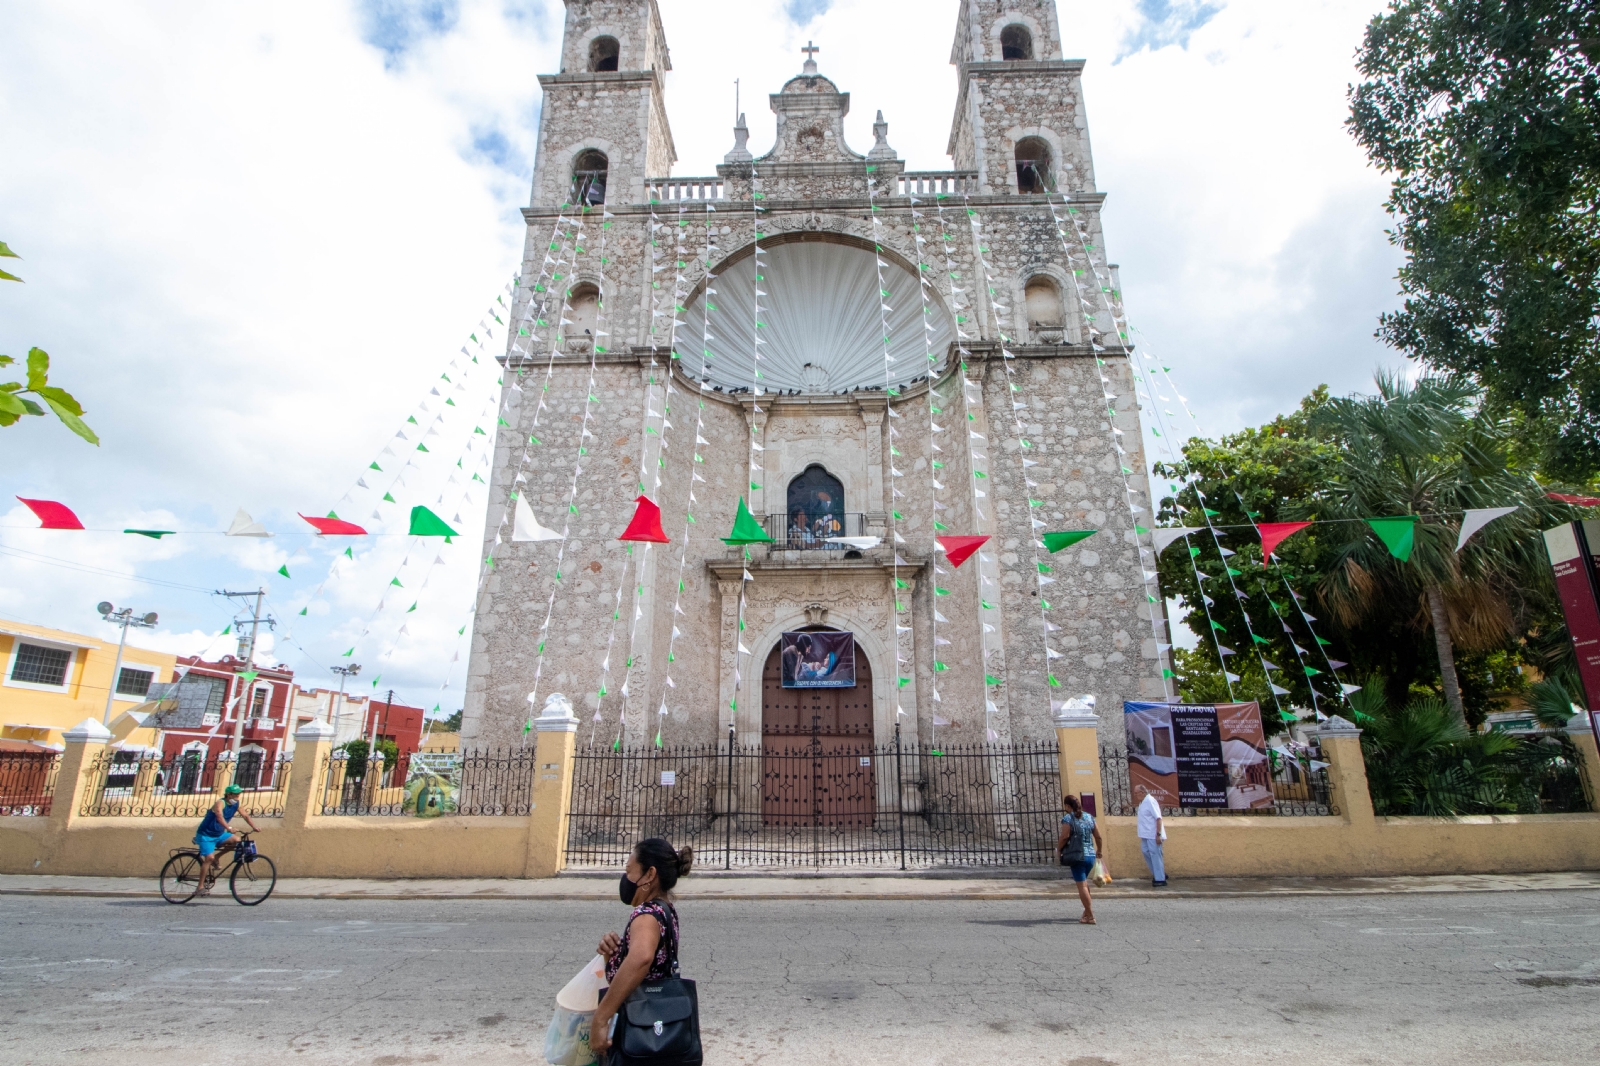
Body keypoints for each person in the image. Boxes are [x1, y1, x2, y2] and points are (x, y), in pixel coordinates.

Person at [590, 837, 695, 1061]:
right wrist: (613, 953)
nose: (625, 879)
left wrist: (601, 1017)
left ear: (649, 875)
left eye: (630, 871)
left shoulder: (646, 914)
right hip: (658, 1023)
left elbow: (641, 959)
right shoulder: (664, 909)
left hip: (639, 1030)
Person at [193, 783, 259, 895]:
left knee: (237, 841)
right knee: (208, 858)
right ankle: (199, 887)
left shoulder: (237, 804)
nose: (237, 797)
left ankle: (217, 857)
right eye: (235, 795)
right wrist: (228, 827)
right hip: (206, 835)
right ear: (229, 795)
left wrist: (254, 827)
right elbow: (219, 816)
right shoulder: (220, 803)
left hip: (219, 834)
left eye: (239, 795)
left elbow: (245, 815)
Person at [1056, 794, 1103, 924]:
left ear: (1067, 806)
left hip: (1077, 856)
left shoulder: (1068, 818)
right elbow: (1098, 837)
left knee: (1081, 885)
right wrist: (1099, 850)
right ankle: (1086, 913)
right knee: (1084, 884)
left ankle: (1090, 914)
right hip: (1090, 856)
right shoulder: (1089, 817)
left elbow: (1065, 836)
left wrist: (1058, 849)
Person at [1135, 785, 1168, 887]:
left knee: (1155, 855)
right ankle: (1159, 873)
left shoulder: (1150, 801)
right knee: (1146, 852)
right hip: (1145, 834)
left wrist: (1158, 834)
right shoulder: (1143, 802)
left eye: (1137, 793)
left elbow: (1158, 818)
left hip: (1153, 834)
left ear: (1143, 792)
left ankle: (1160, 879)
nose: (1136, 795)